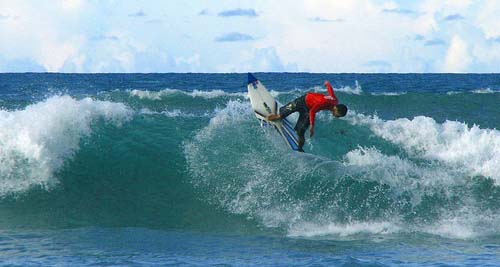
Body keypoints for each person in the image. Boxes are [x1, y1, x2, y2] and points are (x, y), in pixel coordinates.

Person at [267, 81, 347, 152]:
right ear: (336, 109)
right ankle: (267, 118)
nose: (337, 117)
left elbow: (331, 92)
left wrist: (327, 84)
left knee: (300, 132)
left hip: (308, 110)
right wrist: (312, 126)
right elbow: (312, 111)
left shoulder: (335, 101)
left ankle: (299, 149)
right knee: (280, 116)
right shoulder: (324, 102)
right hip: (302, 101)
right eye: (338, 115)